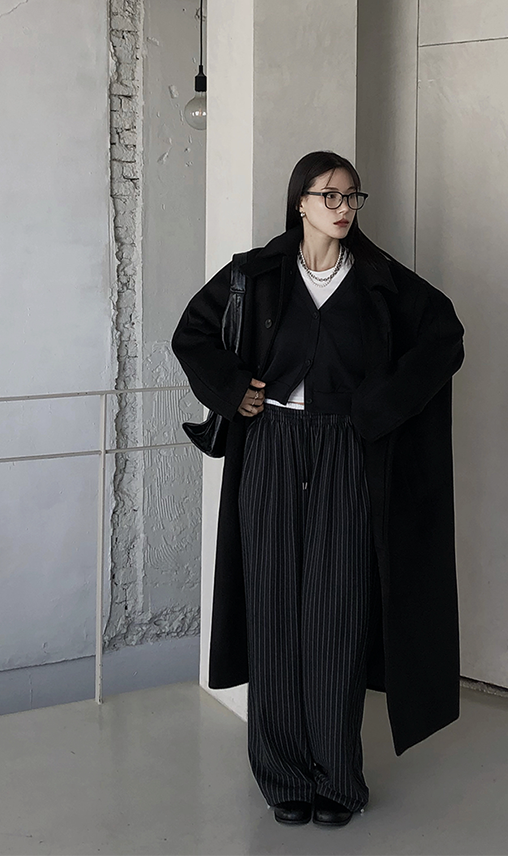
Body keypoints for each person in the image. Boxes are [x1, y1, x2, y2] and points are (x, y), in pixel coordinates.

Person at [172, 151, 465, 828]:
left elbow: (445, 335)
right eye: (329, 194)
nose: (343, 207)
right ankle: (282, 775)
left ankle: (336, 777)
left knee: (338, 610)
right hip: (271, 446)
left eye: (352, 196)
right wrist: (233, 390)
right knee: (273, 606)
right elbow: (193, 334)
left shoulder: (381, 280)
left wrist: (379, 408)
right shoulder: (256, 274)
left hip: (347, 450)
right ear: (299, 201)